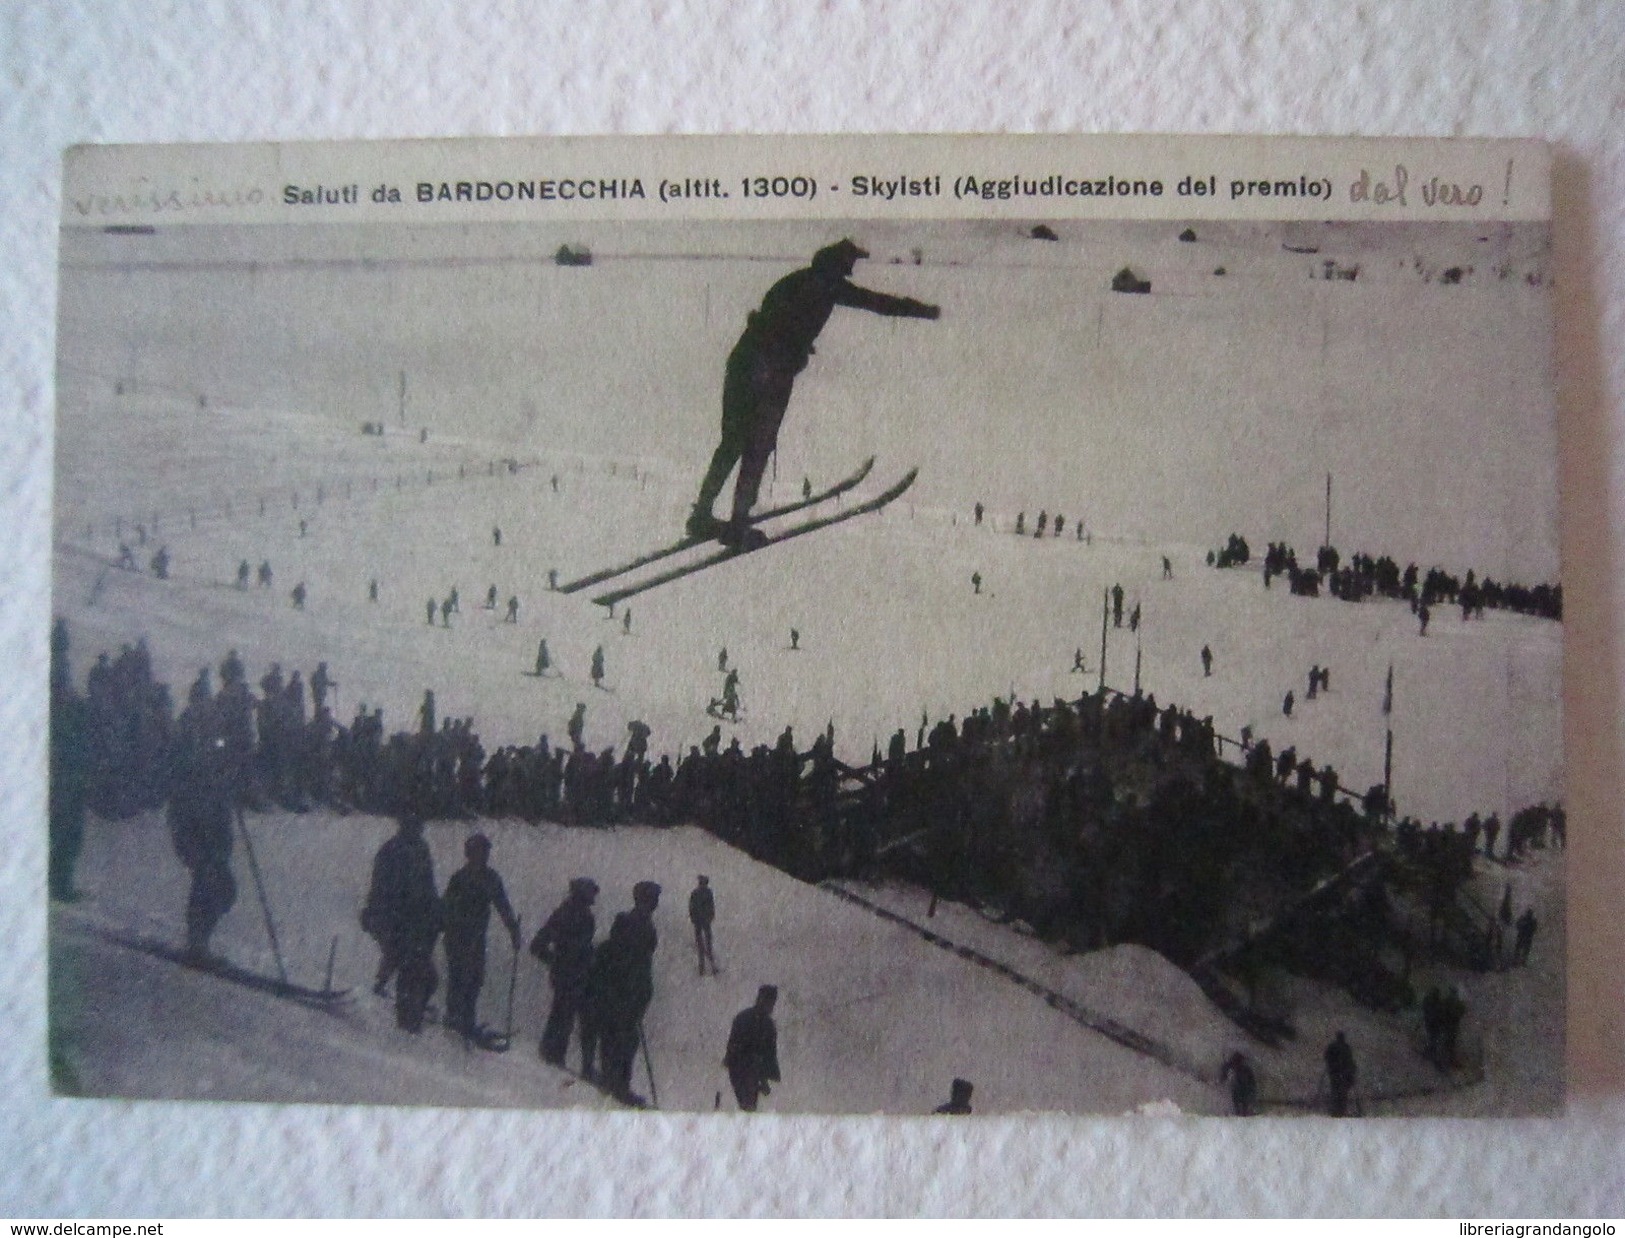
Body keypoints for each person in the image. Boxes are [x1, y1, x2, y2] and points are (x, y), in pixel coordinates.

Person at [686, 239, 940, 548]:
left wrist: (794, 348)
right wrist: (924, 311)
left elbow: (769, 318)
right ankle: (738, 523)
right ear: (837, 265)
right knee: (757, 447)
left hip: (744, 362)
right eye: (849, 263)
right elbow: (876, 303)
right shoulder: (825, 286)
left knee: (732, 442)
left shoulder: (795, 280)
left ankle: (701, 514)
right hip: (768, 371)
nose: (851, 270)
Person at [166, 694, 238, 957]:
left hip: (214, 826)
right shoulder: (188, 745)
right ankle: (197, 942)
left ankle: (200, 938)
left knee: (225, 887)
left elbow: (222, 772)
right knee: (207, 880)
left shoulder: (215, 743)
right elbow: (184, 787)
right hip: (193, 825)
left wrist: (226, 778)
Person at [361, 812, 442, 1031]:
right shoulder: (391, 851)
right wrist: (382, 916)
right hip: (398, 922)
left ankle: (409, 1010)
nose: (417, 830)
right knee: (411, 968)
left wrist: (435, 911)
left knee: (424, 974)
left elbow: (428, 885)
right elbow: (382, 889)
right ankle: (405, 1018)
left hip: (416, 923)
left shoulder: (421, 850)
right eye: (413, 825)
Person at [585, 881, 662, 1102]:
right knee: (621, 1038)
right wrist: (630, 989)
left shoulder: (641, 925)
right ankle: (617, 1084)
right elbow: (625, 959)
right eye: (652, 899)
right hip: (623, 991)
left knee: (622, 1038)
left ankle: (616, 1083)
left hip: (630, 992)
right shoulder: (632, 924)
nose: (655, 903)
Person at [440, 833, 520, 1043]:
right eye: (479, 851)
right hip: (457, 937)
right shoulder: (460, 878)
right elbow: (446, 908)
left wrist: (513, 930)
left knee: (474, 979)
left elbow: (503, 905)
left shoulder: (490, 878)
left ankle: (465, 1019)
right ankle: (455, 1018)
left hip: (475, 938)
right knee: (459, 977)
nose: (484, 856)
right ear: (470, 854)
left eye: (485, 851)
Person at [530, 877, 599, 1069]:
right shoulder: (565, 914)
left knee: (567, 1016)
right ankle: (552, 1055)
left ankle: (554, 1055)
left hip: (579, 975)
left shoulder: (583, 915)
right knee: (563, 1015)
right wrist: (559, 961)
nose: (592, 897)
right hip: (568, 975)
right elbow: (538, 945)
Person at [724, 984, 782, 1112]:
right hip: (746, 1069)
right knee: (749, 1105)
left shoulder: (744, 1018)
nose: (772, 1006)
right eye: (771, 1002)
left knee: (747, 1105)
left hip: (739, 1069)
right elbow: (768, 1054)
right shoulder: (766, 1025)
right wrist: (764, 1077)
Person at [688, 875, 718, 975]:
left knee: (701, 944)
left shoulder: (695, 893)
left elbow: (691, 907)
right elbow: (711, 906)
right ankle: (710, 966)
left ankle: (702, 967)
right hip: (705, 921)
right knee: (707, 944)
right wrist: (710, 917)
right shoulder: (708, 893)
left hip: (699, 921)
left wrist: (694, 918)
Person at [1324, 1031, 1358, 1116]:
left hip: (1336, 1073)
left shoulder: (1333, 1047)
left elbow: (1326, 1057)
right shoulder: (1346, 1047)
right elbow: (1350, 1061)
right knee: (1342, 1093)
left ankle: (1337, 1111)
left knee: (1337, 1092)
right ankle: (1340, 1110)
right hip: (1343, 1074)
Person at [1220, 1051, 1259, 1116]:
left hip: (1242, 1089)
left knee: (1240, 1104)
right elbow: (1252, 1083)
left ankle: (1241, 1113)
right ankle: (1241, 1113)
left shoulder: (1244, 1069)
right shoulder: (1243, 1069)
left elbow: (1251, 1082)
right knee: (1240, 1104)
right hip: (1241, 1089)